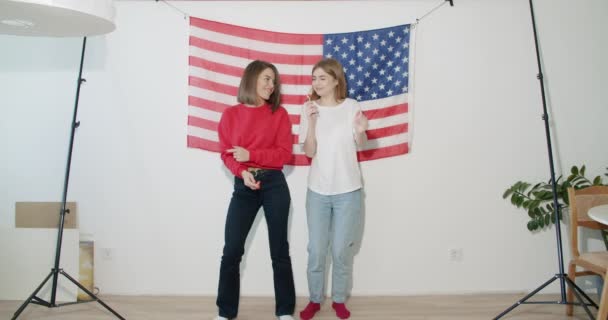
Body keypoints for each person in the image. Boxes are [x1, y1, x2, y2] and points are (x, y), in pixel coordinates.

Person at [214, 60, 295, 320]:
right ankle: (225, 313)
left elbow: (283, 156)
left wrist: (251, 154)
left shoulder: (279, 114)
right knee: (232, 250)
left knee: (279, 250)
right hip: (244, 186)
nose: (272, 86)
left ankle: (284, 312)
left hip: (274, 185)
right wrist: (242, 171)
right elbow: (226, 155)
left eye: (274, 81)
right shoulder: (230, 115)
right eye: (267, 79)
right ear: (251, 79)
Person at [297, 58, 368, 320]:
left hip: (348, 190)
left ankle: (339, 299)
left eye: (322, 78)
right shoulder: (308, 108)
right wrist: (313, 122)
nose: (316, 82)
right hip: (317, 191)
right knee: (316, 250)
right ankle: (315, 299)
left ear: (336, 80)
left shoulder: (351, 107)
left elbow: (361, 144)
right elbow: (309, 151)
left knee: (340, 250)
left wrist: (361, 131)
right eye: (314, 78)